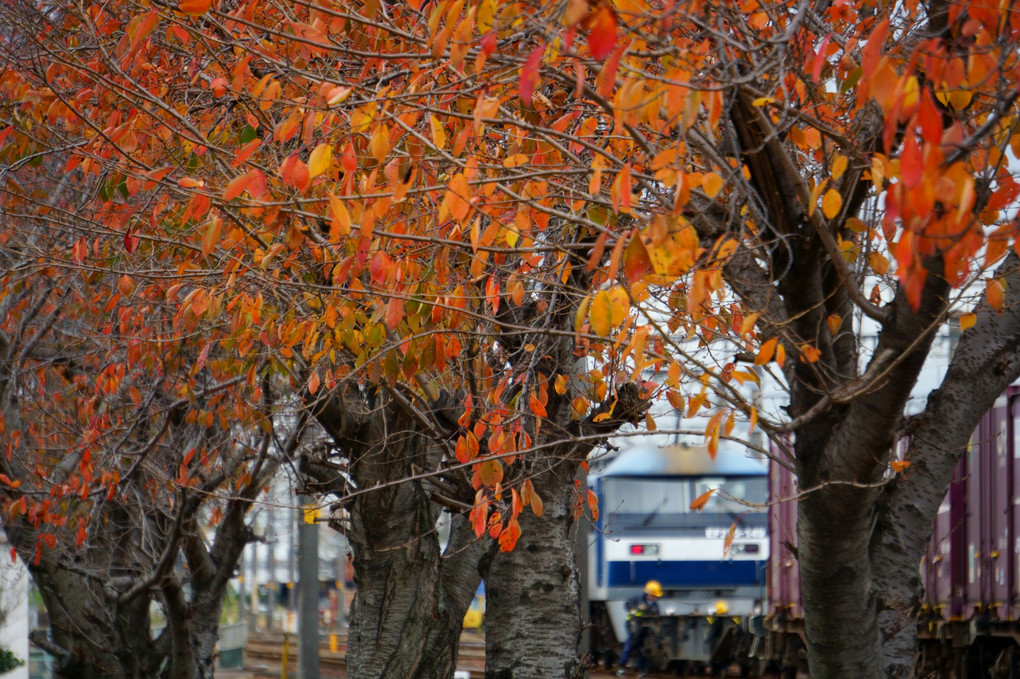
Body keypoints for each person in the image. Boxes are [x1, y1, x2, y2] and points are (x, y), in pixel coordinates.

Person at [616, 580, 662, 677]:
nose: (655, 598)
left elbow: (656, 617)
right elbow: (627, 605)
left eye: (656, 596)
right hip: (634, 627)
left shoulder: (654, 606)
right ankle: (621, 667)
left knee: (642, 649)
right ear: (648, 594)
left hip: (644, 630)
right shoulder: (637, 600)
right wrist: (635, 610)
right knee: (629, 646)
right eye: (654, 595)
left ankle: (642, 671)